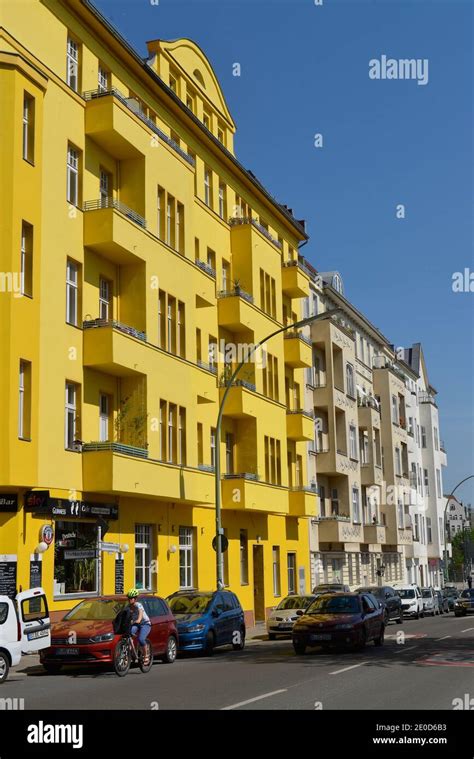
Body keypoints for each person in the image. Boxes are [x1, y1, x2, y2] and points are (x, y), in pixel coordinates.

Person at [126, 589, 151, 663]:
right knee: (128, 635)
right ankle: (131, 654)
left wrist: (139, 619)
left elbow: (140, 612)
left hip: (145, 624)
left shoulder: (138, 605)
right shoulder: (128, 607)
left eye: (131, 598)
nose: (130, 600)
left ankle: (146, 655)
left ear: (135, 599)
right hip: (136, 624)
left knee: (141, 639)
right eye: (129, 598)